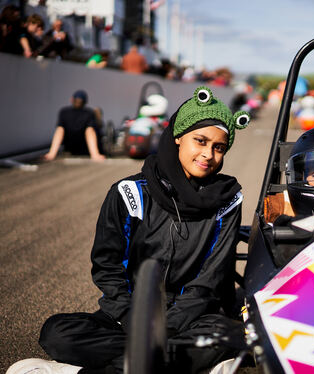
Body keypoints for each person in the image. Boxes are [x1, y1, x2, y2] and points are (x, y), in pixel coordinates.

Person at [8, 86, 251, 374]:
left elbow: (208, 282)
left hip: (192, 318)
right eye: (200, 141)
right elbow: (107, 268)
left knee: (225, 338)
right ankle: (162, 364)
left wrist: (165, 327)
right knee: (57, 331)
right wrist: (136, 321)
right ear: (178, 136)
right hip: (129, 315)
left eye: (219, 147)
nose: (208, 154)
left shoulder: (228, 200)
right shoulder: (129, 192)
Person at [43, 90, 106, 161]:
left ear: (72, 99)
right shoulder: (89, 113)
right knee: (94, 128)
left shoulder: (64, 112)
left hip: (71, 149)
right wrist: (95, 154)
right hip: (85, 149)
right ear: (85, 102)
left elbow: (60, 131)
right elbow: (90, 131)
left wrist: (52, 154)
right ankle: (95, 152)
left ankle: (52, 153)